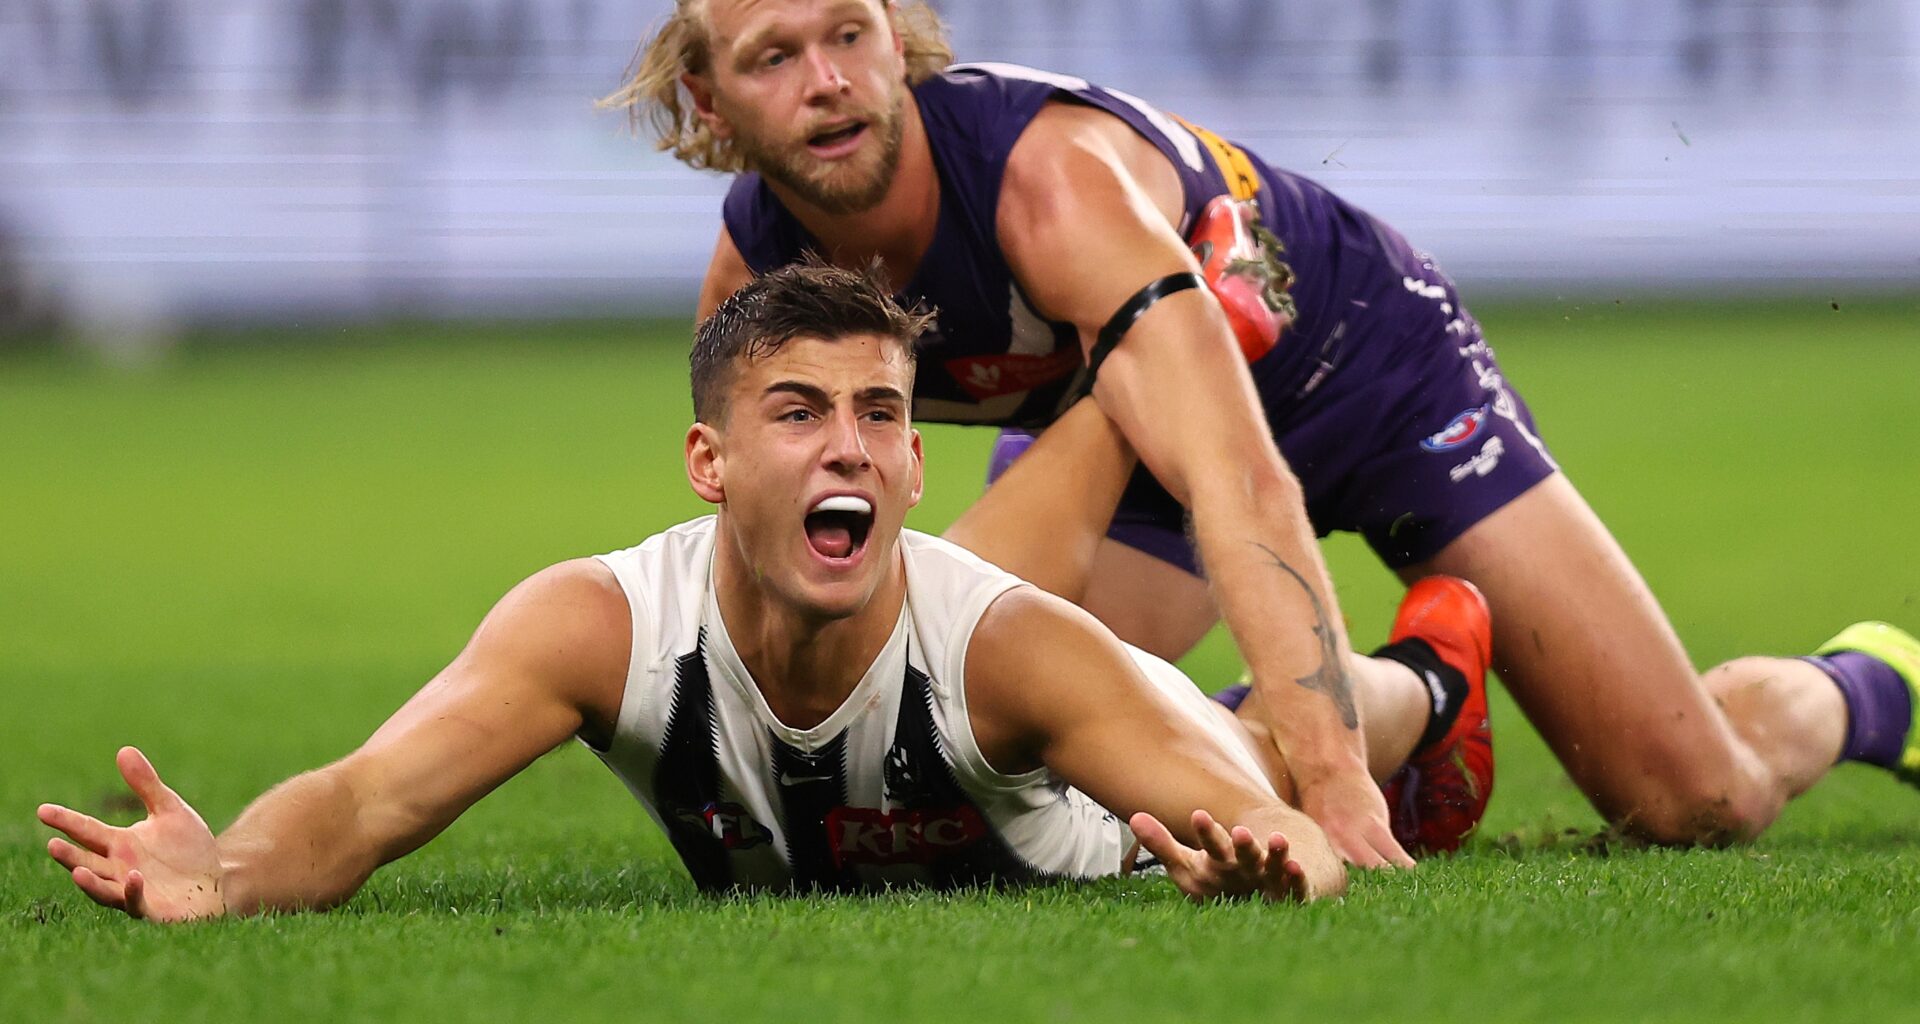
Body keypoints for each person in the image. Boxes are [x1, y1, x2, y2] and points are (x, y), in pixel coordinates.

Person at [609, 0, 1920, 857]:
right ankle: (1416, 711)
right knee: (978, 766)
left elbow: (1236, 476)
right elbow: (767, 553)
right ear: (713, 107)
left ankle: (1876, 684)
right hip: (1124, 424)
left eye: (847, 32)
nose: (828, 81)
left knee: (1696, 799)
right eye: (775, 57)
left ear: (900, 35)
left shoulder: (1047, 185)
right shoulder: (760, 290)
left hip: (1360, 362)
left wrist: (1332, 787)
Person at [33, 261, 1497, 920]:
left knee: (1245, 739)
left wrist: (1279, 857)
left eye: (877, 417)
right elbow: (360, 804)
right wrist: (221, 870)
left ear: (919, 467)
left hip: (1108, 810)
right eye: (797, 412)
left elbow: (1266, 826)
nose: (845, 444)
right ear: (708, 460)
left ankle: (1431, 676)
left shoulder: (1008, 651)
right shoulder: (599, 626)